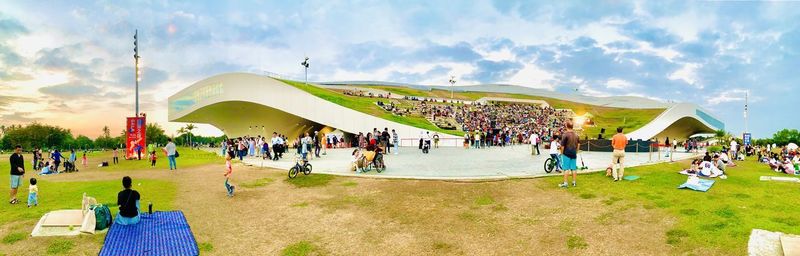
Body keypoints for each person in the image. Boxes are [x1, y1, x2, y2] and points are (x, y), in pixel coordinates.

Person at [559, 122, 580, 188]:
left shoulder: (565, 135)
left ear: (566, 126)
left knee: (566, 169)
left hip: (566, 153)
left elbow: (562, 146)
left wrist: (562, 153)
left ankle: (565, 183)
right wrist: (576, 151)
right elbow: (579, 144)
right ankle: (574, 182)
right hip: (574, 153)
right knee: (573, 168)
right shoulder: (576, 135)